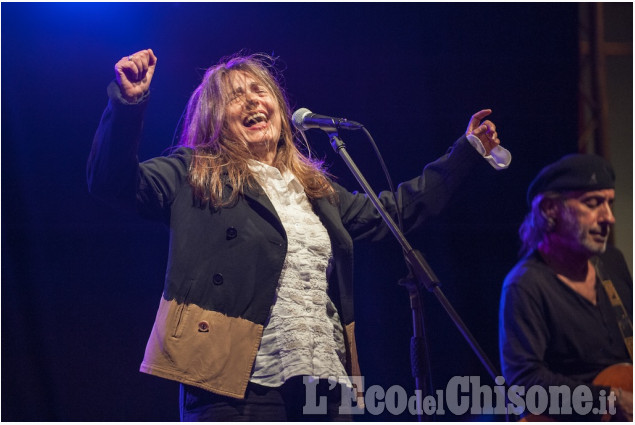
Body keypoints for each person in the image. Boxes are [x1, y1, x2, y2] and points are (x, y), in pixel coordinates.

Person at [88, 48, 511, 421]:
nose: (252, 100)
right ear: (214, 117)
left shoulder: (315, 189)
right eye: (235, 96)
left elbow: (393, 214)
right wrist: (128, 104)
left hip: (323, 378)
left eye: (260, 91)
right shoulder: (194, 172)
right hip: (234, 383)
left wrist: (465, 152)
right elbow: (112, 182)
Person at [499, 154, 633, 421]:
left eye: (610, 203)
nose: (609, 218)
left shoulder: (612, 262)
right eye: (593, 204)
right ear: (550, 209)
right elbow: (525, 384)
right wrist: (608, 399)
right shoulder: (525, 285)